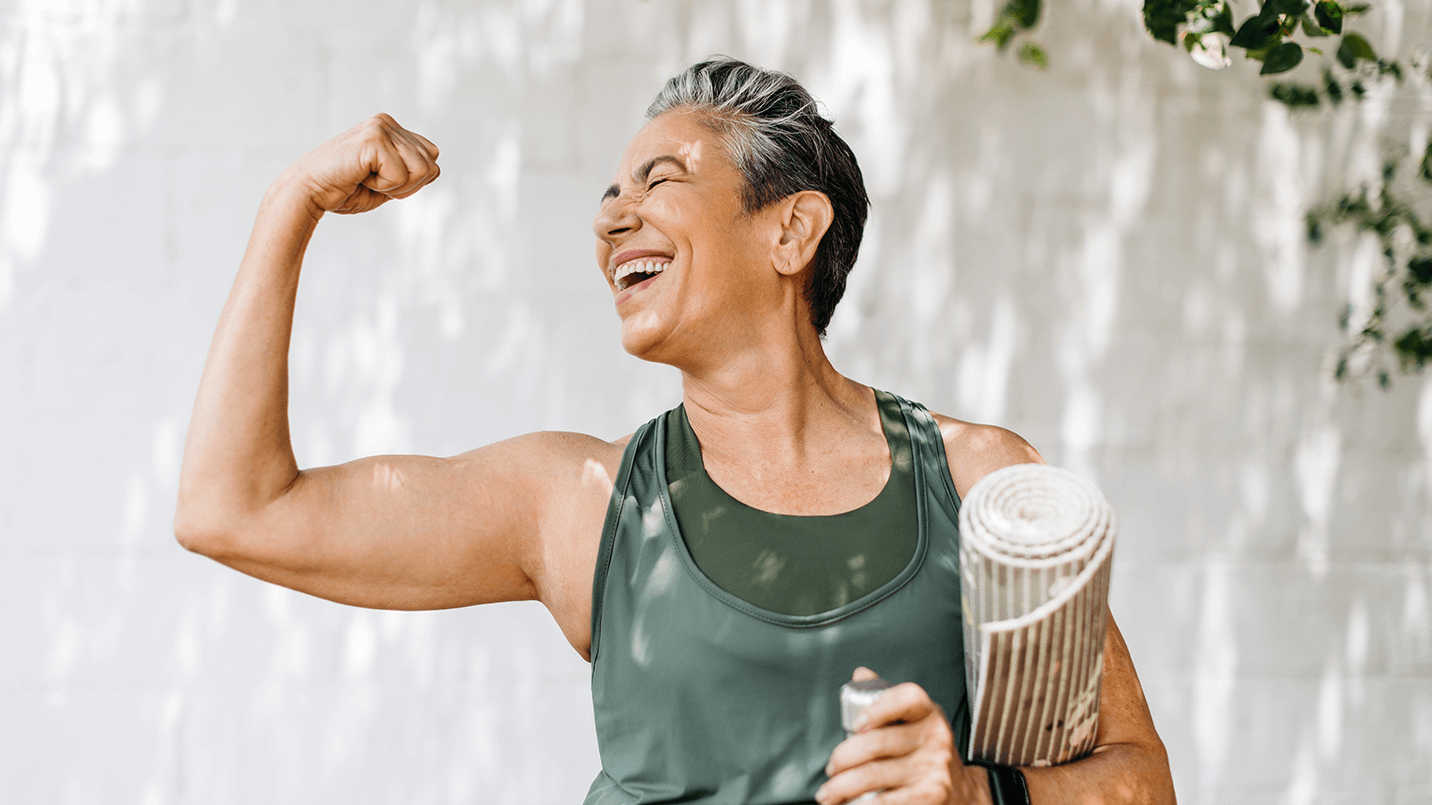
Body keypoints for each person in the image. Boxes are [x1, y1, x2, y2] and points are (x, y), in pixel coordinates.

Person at [175, 57, 1175, 805]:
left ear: (790, 231)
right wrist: (289, 204)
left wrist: (978, 792)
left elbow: (1137, 779)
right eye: (609, 195)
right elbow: (233, 509)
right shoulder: (579, 504)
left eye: (658, 181)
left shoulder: (980, 480)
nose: (613, 218)